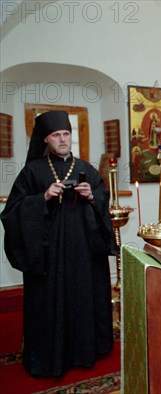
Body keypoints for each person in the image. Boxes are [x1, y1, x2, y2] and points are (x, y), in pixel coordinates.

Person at [1, 111, 116, 377]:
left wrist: (92, 197)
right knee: (50, 302)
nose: (63, 139)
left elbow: (103, 198)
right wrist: (42, 197)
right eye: (57, 135)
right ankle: (50, 357)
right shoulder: (32, 171)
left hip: (84, 253)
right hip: (49, 254)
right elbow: (12, 213)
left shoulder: (86, 168)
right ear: (46, 139)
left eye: (66, 134)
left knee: (84, 297)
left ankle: (87, 350)